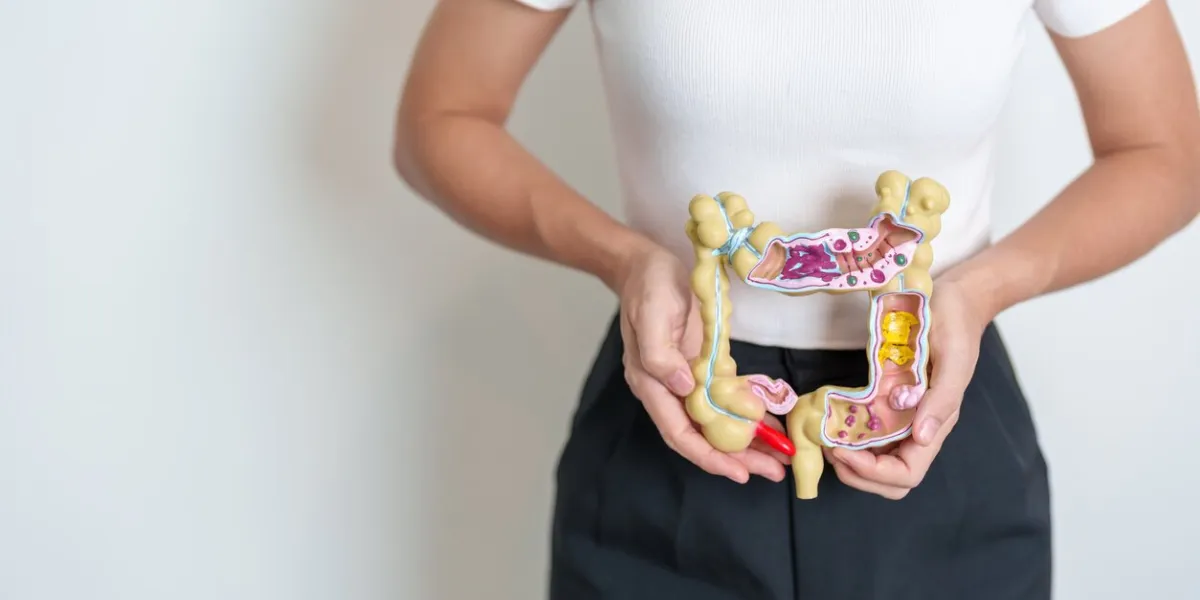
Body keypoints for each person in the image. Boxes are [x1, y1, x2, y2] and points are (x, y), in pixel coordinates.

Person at [394, 1, 1199, 598]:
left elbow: (1165, 150)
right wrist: (626, 260)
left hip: (936, 413)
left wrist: (984, 287)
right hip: (674, 414)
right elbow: (440, 120)